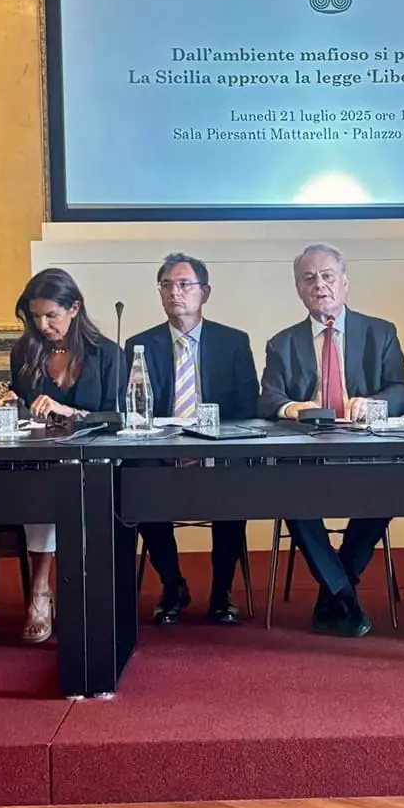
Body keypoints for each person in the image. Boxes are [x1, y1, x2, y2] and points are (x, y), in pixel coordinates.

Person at [259, 242, 404, 637]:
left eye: (327, 276)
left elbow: (402, 391)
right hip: (306, 457)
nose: (320, 285)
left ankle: (336, 591)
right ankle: (344, 593)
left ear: (345, 282)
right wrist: (293, 408)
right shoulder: (282, 343)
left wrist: (374, 403)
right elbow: (268, 399)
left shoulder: (380, 332)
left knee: (390, 490)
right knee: (286, 494)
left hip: (367, 453)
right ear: (298, 288)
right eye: (309, 278)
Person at [124, 253, 259, 625]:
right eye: (167, 285)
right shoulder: (140, 345)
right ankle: (172, 585)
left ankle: (221, 592)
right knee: (137, 477)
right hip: (160, 454)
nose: (175, 292)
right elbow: (133, 409)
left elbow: (248, 407)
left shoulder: (233, 342)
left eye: (184, 284)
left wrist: (209, 442)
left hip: (216, 453)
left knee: (235, 479)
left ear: (205, 292)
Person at [8, 268, 125, 643]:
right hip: (41, 459)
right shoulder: (24, 352)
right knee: (45, 484)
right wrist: (11, 404)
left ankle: (78, 591)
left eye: (51, 315)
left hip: (95, 460)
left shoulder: (107, 353)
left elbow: (117, 418)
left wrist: (68, 411)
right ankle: (40, 589)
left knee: (67, 481)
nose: (43, 325)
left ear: (74, 308)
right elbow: (23, 412)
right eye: (35, 316)